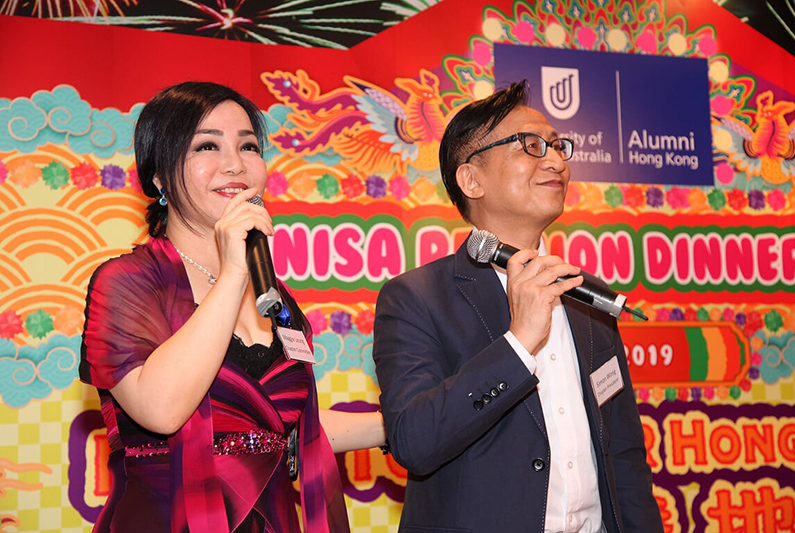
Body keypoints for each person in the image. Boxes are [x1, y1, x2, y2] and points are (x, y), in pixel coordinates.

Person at [80, 81, 385, 533]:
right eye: (207, 146)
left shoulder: (274, 295)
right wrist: (232, 276)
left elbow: (286, 432)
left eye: (248, 146)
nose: (235, 164)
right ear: (159, 176)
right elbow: (161, 409)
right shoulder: (127, 281)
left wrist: (399, 425)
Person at [372, 81, 662, 532]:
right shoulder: (415, 297)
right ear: (472, 180)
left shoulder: (587, 295)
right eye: (530, 145)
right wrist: (519, 342)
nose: (556, 161)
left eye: (558, 146)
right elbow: (414, 441)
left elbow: (622, 451)